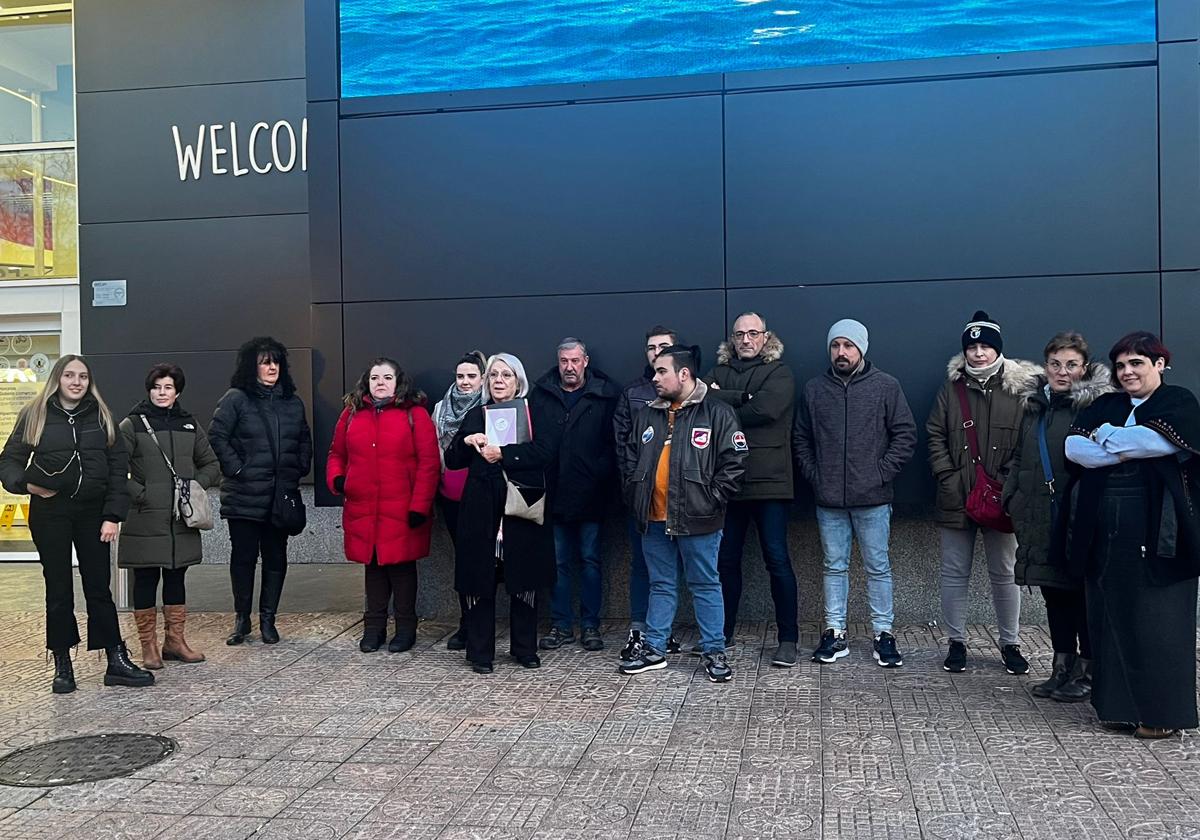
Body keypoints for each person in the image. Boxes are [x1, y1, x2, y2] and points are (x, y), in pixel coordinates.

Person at [1065, 332, 1200, 739]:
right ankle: (1118, 708)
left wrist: (1106, 438)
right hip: (1106, 525)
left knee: (1156, 618)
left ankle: (1161, 714)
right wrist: (1121, 444)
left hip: (1160, 528)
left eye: (1137, 363)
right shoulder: (1106, 404)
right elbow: (1074, 448)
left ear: (1160, 364)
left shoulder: (1179, 403)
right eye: (1121, 365)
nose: (1127, 372)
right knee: (1110, 613)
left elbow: (1156, 442)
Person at [0, 355, 152, 693]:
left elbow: (117, 469)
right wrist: (26, 485)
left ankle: (115, 659)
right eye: (69, 375)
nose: (76, 381)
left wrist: (113, 515)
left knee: (98, 587)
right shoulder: (35, 413)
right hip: (50, 512)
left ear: (89, 381)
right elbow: (9, 460)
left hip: (92, 513)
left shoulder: (102, 416)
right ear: (57, 378)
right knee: (58, 589)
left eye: (82, 376)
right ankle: (62, 664)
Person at [619, 345, 746, 683]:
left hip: (698, 518)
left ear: (684, 374)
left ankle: (714, 651)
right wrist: (635, 494)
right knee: (660, 584)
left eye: (662, 371)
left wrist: (712, 499)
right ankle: (654, 649)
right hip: (654, 517)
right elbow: (631, 458)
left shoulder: (717, 412)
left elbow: (734, 464)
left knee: (705, 583)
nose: (655, 377)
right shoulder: (648, 414)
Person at [793, 319, 916, 668]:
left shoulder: (886, 386)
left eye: (848, 345)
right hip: (828, 499)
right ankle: (835, 633)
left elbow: (905, 434)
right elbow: (801, 438)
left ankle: (883, 634)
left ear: (861, 348)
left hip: (874, 499)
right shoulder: (815, 389)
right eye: (836, 346)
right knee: (834, 566)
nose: (841, 352)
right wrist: (816, 476)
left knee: (878, 566)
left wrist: (880, 473)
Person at [927, 311, 1039, 674]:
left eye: (985, 346)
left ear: (998, 349)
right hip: (956, 495)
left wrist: (1009, 483)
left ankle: (1011, 643)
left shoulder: (1020, 387)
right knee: (954, 571)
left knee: (1005, 572)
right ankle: (956, 642)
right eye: (972, 347)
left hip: (1003, 497)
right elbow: (934, 434)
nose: (978, 353)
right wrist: (947, 475)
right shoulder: (952, 388)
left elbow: (1028, 440)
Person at [1003, 332, 1112, 701]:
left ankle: (1088, 670)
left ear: (1084, 368)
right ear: (1045, 365)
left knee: (1080, 594)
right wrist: (1011, 498)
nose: (1061, 372)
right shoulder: (1035, 406)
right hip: (1036, 515)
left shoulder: (1094, 407)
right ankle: (1060, 668)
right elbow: (1019, 456)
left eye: (1071, 364)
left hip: (1076, 518)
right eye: (1054, 363)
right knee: (1054, 595)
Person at [444, 353, 562, 674]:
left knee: (524, 579)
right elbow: (453, 460)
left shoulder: (533, 411)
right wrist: (467, 441)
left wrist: (505, 454)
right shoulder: (476, 414)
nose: (499, 381)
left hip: (520, 505)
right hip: (481, 509)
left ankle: (524, 649)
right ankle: (480, 652)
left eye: (506, 375)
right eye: (494, 375)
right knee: (479, 580)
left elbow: (546, 451)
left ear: (518, 380)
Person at [327, 358, 441, 653]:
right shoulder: (351, 414)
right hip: (364, 508)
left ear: (397, 382)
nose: (380, 383)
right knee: (373, 568)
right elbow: (336, 453)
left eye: (387, 377)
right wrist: (339, 480)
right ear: (367, 382)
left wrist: (420, 505)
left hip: (403, 508)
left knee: (402, 570)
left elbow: (429, 464)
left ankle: (405, 629)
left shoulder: (415, 414)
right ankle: (373, 628)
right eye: (375, 377)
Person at [704, 312, 799, 666]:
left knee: (777, 559)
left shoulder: (780, 372)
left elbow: (767, 407)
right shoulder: (717, 371)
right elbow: (704, 403)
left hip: (771, 483)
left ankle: (788, 638)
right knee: (725, 560)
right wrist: (744, 396)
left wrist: (728, 399)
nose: (746, 340)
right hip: (728, 481)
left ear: (765, 337)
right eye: (740, 334)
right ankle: (721, 635)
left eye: (753, 333)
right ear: (732, 338)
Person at [209, 336, 313, 646]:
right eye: (265, 361)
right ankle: (242, 618)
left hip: (280, 496)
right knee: (243, 558)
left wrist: (299, 466)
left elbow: (304, 439)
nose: (271, 367)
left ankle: (269, 618)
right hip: (244, 496)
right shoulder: (235, 399)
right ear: (251, 366)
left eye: (276, 361)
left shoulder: (292, 402)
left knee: (276, 558)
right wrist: (238, 469)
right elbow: (217, 437)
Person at [118, 363, 221, 669]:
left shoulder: (189, 424)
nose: (162, 393)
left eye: (168, 388)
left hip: (180, 519)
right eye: (157, 387)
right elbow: (113, 468)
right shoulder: (132, 424)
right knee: (146, 578)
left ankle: (175, 642)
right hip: (145, 517)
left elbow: (211, 464)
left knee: (177, 577)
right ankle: (148, 646)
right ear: (149, 389)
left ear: (177, 392)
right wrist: (141, 493)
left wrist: (193, 488)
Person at [536, 338, 620, 653]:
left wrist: (600, 473)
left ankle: (590, 626)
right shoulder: (542, 394)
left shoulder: (605, 394)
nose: (569, 367)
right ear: (558, 362)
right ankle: (560, 625)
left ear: (585, 360)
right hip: (554, 493)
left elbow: (614, 443)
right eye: (564, 361)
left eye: (575, 361)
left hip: (592, 495)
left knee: (590, 561)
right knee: (557, 562)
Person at [614, 326, 685, 659]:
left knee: (688, 571)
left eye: (664, 347)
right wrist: (635, 486)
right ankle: (640, 632)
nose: (656, 352)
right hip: (645, 501)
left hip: (685, 502)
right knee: (644, 567)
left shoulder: (692, 392)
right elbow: (623, 445)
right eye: (651, 348)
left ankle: (666, 632)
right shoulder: (633, 394)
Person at [432, 350, 487, 650]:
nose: (465, 382)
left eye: (471, 376)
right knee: (463, 560)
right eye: (460, 376)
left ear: (482, 379)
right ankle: (466, 622)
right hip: (450, 493)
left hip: (482, 492)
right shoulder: (440, 409)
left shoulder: (490, 407)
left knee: (485, 559)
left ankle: (482, 621)